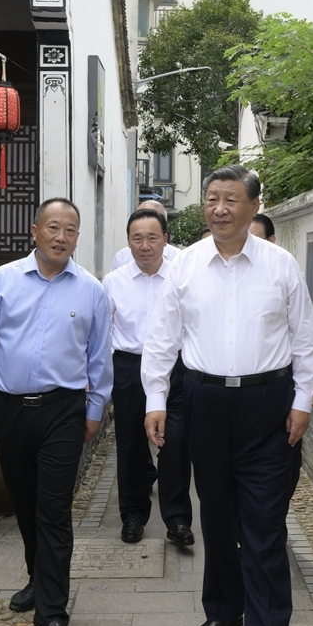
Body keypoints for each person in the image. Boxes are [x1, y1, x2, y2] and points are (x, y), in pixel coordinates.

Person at [142, 164, 313, 626]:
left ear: (252, 207)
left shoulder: (281, 266)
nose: (219, 208)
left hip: (268, 405)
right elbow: (161, 339)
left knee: (264, 525)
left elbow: (306, 339)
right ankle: (223, 608)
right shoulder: (186, 266)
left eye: (230, 199)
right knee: (216, 515)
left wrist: (303, 401)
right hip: (204, 402)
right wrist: (156, 399)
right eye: (212, 198)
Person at [0, 198, 112, 626]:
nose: (61, 236)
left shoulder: (91, 291)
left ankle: (51, 619)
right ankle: (36, 576)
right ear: (34, 231)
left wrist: (95, 410)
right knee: (25, 504)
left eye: (70, 229)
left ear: (77, 237)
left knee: (53, 510)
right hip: (9, 408)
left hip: (63, 410)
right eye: (53, 227)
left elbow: (99, 357)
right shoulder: (3, 282)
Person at [102, 209, 193, 546]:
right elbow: (103, 334)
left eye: (152, 238)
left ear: (165, 240)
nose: (144, 245)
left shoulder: (182, 277)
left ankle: (178, 520)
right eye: (137, 238)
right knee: (130, 445)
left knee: (176, 444)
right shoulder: (114, 282)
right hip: (129, 368)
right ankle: (133, 516)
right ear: (128, 242)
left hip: (176, 369)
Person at [249, 215, 313, 410]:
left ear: (271, 240)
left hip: (278, 379)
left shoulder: (285, 269)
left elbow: (303, 328)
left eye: (256, 239)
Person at [111, 200, 180, 270]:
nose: (145, 247)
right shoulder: (121, 257)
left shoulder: (179, 258)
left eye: (152, 238)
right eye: (138, 239)